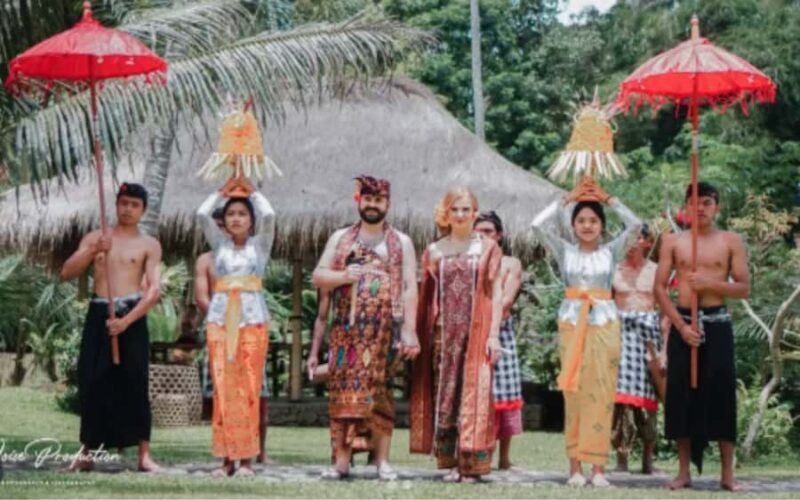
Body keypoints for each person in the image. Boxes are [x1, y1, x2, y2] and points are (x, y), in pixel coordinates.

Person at [530, 177, 641, 487]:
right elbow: (536, 227)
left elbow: (636, 226)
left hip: (605, 324)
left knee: (602, 393)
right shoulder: (565, 251)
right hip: (572, 323)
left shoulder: (611, 251)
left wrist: (610, 200)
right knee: (574, 392)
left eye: (594, 220)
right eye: (581, 220)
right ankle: (575, 467)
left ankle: (599, 469)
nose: (588, 225)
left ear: (602, 225)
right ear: (573, 225)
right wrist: (564, 203)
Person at [310, 175, 419, 481]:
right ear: (359, 201)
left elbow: (410, 286)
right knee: (344, 396)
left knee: (382, 395)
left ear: (388, 204)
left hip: (386, 332)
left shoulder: (402, 242)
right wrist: (345, 275)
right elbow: (319, 276)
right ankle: (342, 462)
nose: (373, 205)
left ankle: (383, 461)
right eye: (368, 199)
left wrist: (410, 329)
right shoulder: (341, 238)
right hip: (348, 333)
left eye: (379, 200)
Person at [654, 182, 749, 492]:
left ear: (716, 207)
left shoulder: (730, 241)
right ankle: (683, 472)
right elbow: (659, 289)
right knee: (680, 394)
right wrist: (681, 329)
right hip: (684, 323)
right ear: (685, 206)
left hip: (717, 323)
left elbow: (743, 287)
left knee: (721, 392)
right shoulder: (672, 242)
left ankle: (727, 474)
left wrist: (708, 282)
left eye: (707, 202)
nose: (701, 208)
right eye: (694, 202)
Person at [60, 183, 162, 472]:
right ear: (116, 205)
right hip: (99, 312)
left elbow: (153, 291)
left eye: (134, 205)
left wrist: (127, 321)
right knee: (91, 381)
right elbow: (67, 272)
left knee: (135, 380)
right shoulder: (96, 237)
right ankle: (86, 452)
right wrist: (94, 249)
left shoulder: (149, 245)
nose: (128, 209)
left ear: (143, 210)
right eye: (124, 203)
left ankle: (144, 454)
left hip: (132, 313)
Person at [410, 187, 504, 483]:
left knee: (475, 393)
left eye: (466, 209)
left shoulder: (487, 248)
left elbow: (496, 293)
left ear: (474, 214)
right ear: (446, 213)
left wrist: (493, 335)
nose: (461, 214)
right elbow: (426, 296)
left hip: (476, 332)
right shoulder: (435, 250)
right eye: (455, 209)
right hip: (444, 335)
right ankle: (451, 462)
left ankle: (472, 465)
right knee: (447, 394)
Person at [196, 176, 276, 477]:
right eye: (231, 214)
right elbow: (202, 215)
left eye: (242, 213)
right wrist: (222, 192)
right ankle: (225, 459)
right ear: (225, 221)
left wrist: (253, 192)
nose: (237, 218)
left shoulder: (260, 246)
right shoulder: (218, 247)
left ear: (250, 220)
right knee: (223, 388)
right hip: (220, 322)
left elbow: (269, 216)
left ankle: (246, 461)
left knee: (249, 388)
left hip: (253, 321)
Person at [474, 211, 524, 471]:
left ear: (500, 235)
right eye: (478, 232)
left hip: (501, 332)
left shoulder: (510, 263)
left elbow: (506, 299)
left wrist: (487, 316)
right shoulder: (469, 261)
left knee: (505, 395)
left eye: (488, 232)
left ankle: (503, 457)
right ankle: (479, 452)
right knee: (478, 394)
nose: (483, 237)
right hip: (474, 333)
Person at [611, 225, 662, 474]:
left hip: (648, 336)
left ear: (647, 241)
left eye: (638, 237)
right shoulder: (614, 270)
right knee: (620, 399)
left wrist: (663, 348)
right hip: (620, 334)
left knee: (649, 399)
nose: (632, 242)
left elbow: (665, 310)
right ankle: (622, 456)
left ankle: (648, 457)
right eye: (627, 238)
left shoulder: (657, 271)